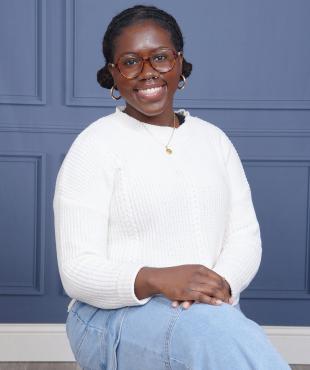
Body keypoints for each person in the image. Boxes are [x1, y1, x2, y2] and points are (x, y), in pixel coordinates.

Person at [53, 5, 291, 370]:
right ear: (113, 75)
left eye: (161, 58)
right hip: (109, 318)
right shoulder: (94, 146)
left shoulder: (214, 141)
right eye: (131, 62)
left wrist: (216, 287)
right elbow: (77, 271)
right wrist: (159, 280)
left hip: (210, 316)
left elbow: (244, 236)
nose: (148, 73)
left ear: (179, 63)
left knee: (215, 332)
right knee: (215, 338)